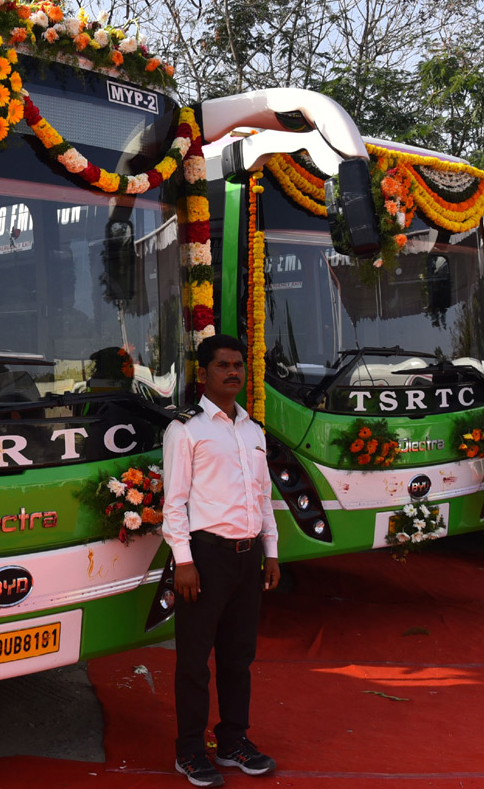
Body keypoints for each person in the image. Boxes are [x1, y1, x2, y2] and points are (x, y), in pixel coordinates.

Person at [162, 334, 280, 787]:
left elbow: (263, 498)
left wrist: (271, 552)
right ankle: (190, 751)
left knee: (238, 657)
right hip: (205, 559)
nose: (233, 372)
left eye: (238, 365)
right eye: (222, 365)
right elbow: (174, 503)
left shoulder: (252, 431)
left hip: (248, 559)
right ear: (203, 373)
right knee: (193, 662)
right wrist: (183, 562)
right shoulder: (186, 430)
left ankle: (232, 741)